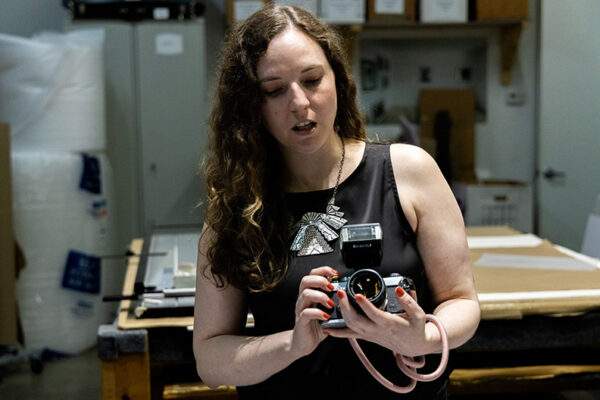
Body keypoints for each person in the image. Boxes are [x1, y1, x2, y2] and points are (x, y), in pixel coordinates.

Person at [193, 4, 480, 399]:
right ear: (249, 106)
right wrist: (291, 344)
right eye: (274, 90)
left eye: (312, 80)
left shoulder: (408, 171)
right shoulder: (238, 206)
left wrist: (425, 337)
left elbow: (461, 300)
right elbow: (210, 359)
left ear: (338, 81)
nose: (299, 102)